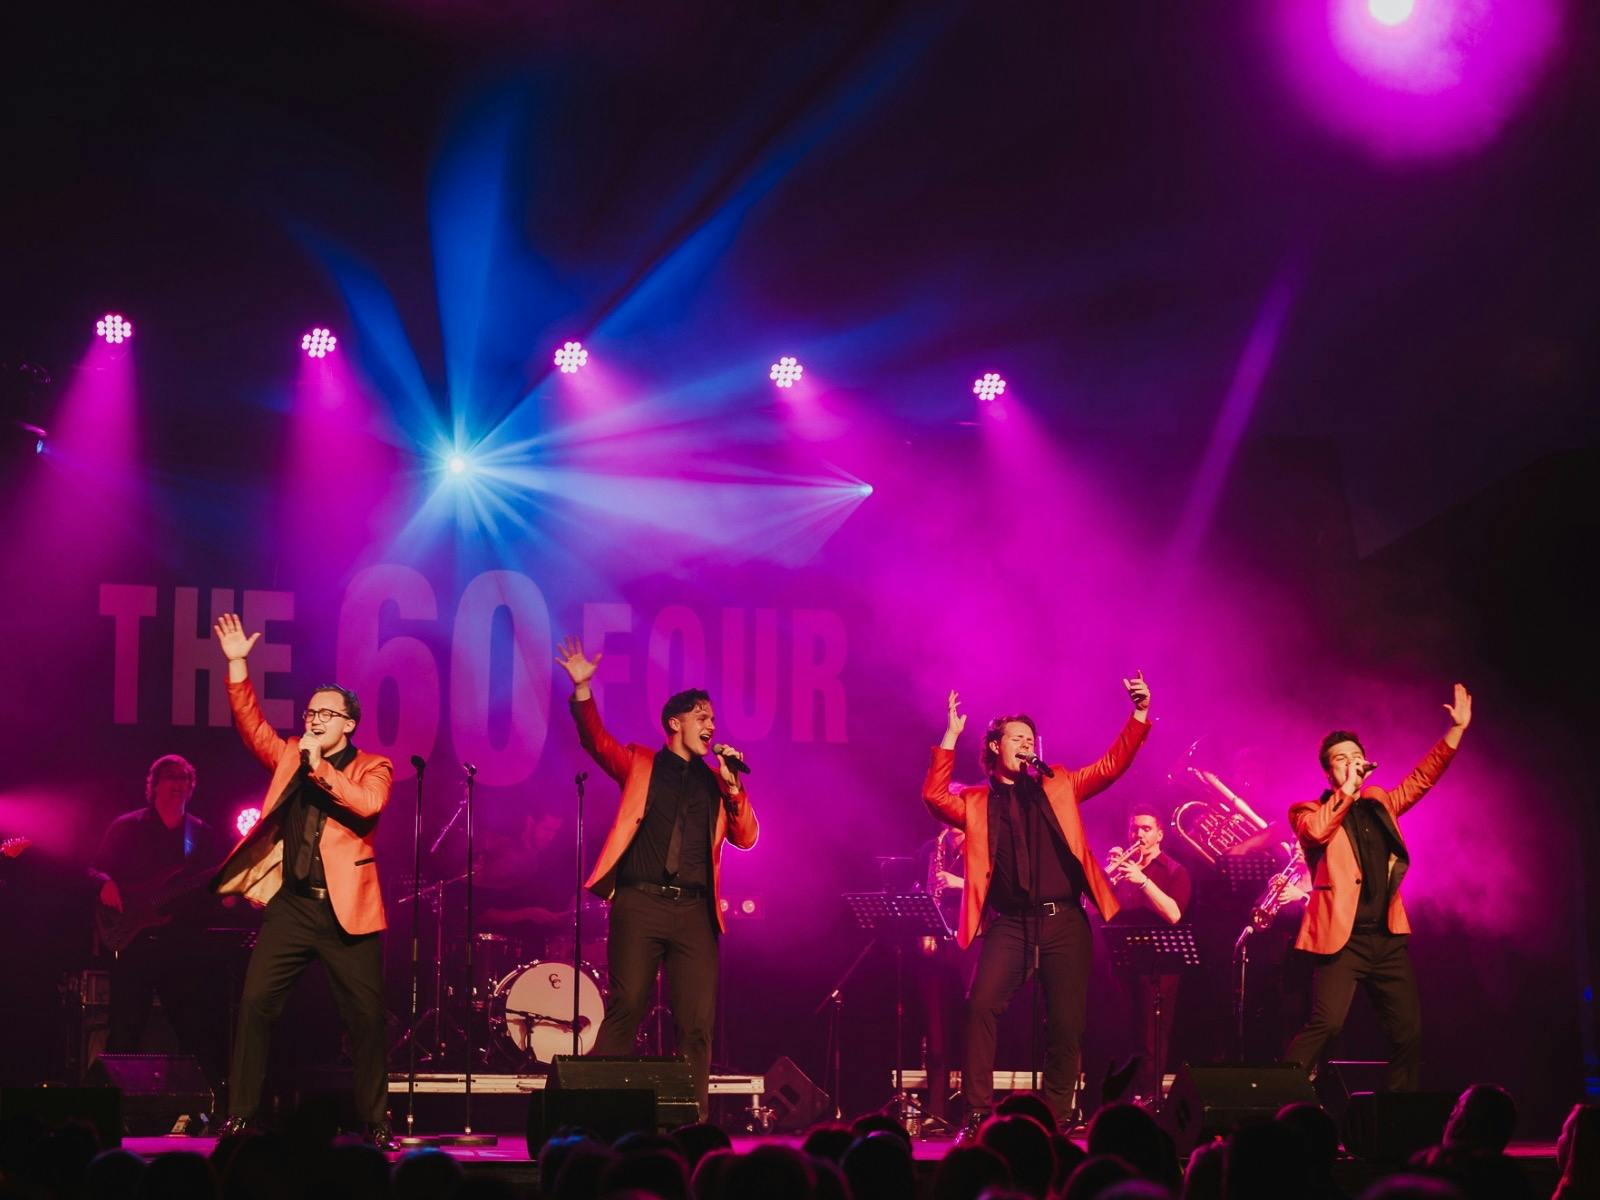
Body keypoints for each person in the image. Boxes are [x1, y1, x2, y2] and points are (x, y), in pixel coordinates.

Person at [924, 675, 1153, 1136]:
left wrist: (1139, 714)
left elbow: (1110, 766)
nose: (1026, 744)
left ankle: (1057, 1113)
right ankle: (975, 1111)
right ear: (994, 746)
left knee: (1067, 1023)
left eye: (1031, 738)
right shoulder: (976, 800)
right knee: (981, 1005)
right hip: (1010, 924)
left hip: (1065, 920)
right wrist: (949, 737)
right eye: (1016, 737)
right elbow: (933, 796)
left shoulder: (1060, 783)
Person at [207, 612, 397, 1148]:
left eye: (326, 713)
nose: (313, 719)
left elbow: (368, 805)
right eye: (311, 711)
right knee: (255, 1003)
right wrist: (239, 664)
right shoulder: (291, 753)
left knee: (365, 1020)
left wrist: (318, 769)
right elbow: (252, 726)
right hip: (292, 905)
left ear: (349, 724)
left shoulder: (371, 766)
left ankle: (376, 1123)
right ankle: (241, 1115)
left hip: (346, 912)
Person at [554, 636, 759, 1118]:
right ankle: (592, 1115)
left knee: (696, 1025)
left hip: (695, 912)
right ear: (676, 723)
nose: (711, 724)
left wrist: (733, 785)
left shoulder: (717, 782)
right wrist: (583, 689)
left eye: (712, 718)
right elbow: (595, 741)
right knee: (627, 1006)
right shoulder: (642, 763)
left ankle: (693, 1122)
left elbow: (747, 837)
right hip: (640, 902)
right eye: (701, 716)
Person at [1283, 683, 1473, 1092]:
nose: (1351, 764)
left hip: (1387, 939)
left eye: (1356, 757)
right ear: (1328, 772)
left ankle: (1397, 1120)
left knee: (1408, 1035)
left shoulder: (1380, 801)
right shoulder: (1308, 811)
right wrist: (1347, 792)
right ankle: (1273, 1099)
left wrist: (1455, 731)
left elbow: (1422, 779)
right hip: (1342, 941)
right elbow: (1316, 833)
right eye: (1340, 760)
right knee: (1327, 1023)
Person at [89, 755, 230, 1082]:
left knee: (193, 1031)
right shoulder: (127, 826)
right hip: (134, 944)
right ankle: (110, 1107)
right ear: (152, 786)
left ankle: (197, 1112)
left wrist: (229, 897)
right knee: (125, 1031)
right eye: (170, 778)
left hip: (181, 947)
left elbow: (212, 890)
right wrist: (104, 884)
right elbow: (92, 869)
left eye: (183, 779)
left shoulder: (201, 834)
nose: (177, 784)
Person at [1106, 805, 1191, 1102]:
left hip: (1159, 964)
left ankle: (1149, 1098)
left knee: (1153, 1036)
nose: (1139, 835)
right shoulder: (1122, 868)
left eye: (1145, 829)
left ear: (1159, 835)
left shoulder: (1174, 871)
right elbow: (1096, 909)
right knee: (1122, 1031)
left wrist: (1143, 881)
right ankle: (1119, 1098)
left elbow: (1174, 914)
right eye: (1134, 828)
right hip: (1123, 960)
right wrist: (1107, 879)